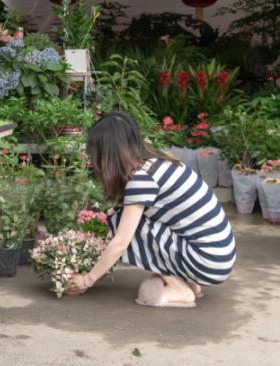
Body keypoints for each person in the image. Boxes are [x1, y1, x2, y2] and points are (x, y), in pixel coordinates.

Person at [66, 112, 236, 307]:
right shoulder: (157, 163)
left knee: (122, 223)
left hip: (209, 261)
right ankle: (190, 282)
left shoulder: (141, 179)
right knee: (122, 217)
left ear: (108, 153)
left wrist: (87, 279)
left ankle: (179, 290)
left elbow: (121, 242)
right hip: (217, 256)